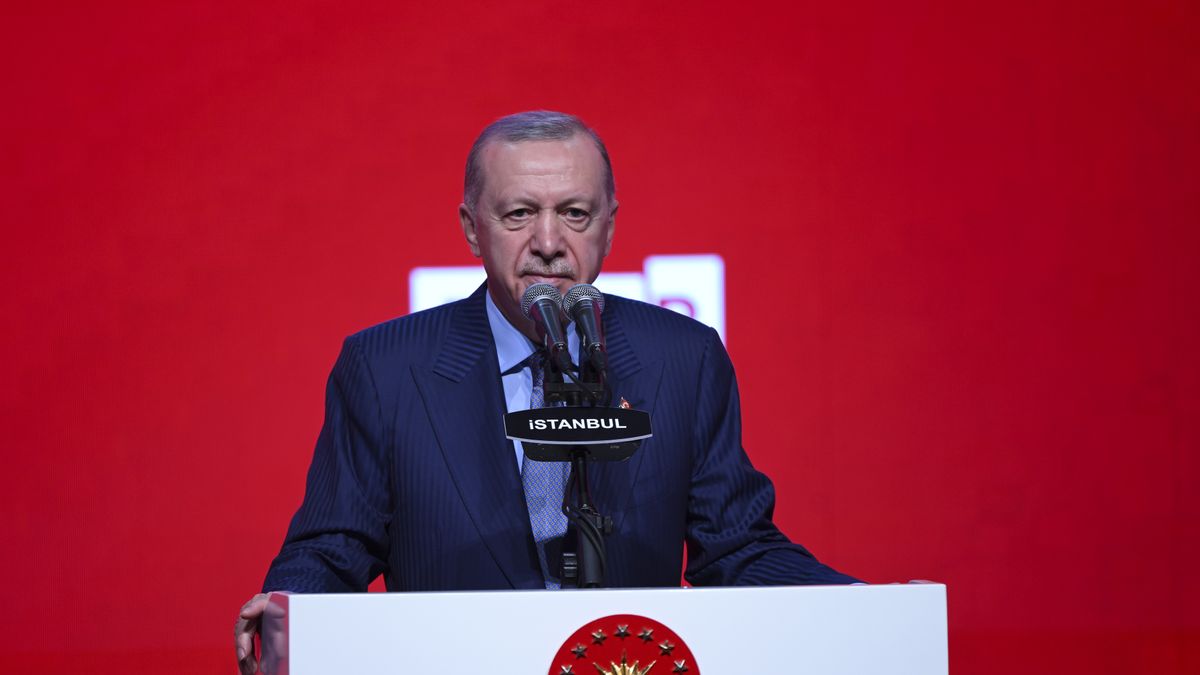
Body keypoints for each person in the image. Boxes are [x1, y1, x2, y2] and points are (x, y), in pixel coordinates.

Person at [234, 111, 859, 674]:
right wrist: (289, 612)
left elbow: (739, 546)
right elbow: (335, 544)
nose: (550, 242)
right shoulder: (386, 368)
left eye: (575, 214)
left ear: (609, 228)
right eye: (519, 214)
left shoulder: (684, 358)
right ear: (472, 229)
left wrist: (864, 608)